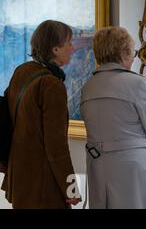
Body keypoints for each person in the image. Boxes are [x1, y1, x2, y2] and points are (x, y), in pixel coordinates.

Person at [80, 27, 146, 209]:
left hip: (99, 167)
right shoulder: (138, 83)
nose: (133, 57)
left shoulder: (88, 86)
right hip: (137, 169)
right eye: (133, 52)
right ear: (123, 53)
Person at [1, 20, 81, 209]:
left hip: (20, 177)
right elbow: (56, 146)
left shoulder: (23, 71)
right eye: (69, 43)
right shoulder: (52, 85)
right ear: (55, 49)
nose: (73, 48)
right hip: (43, 184)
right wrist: (71, 189)